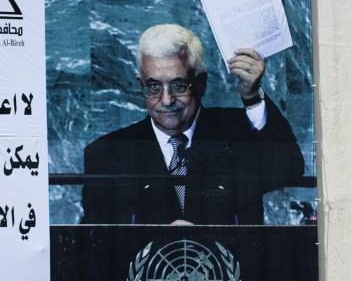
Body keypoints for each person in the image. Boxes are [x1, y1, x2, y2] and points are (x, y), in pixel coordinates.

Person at [82, 23, 305, 225]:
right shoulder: (106, 154)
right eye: (154, 87)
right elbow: (97, 244)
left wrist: (253, 96)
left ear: (201, 83)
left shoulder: (235, 132)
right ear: (140, 84)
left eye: (179, 86)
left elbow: (290, 167)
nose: (167, 100)